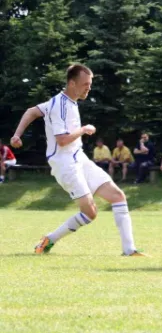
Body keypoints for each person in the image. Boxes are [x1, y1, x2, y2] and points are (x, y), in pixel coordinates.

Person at [10, 64, 145, 256]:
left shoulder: (64, 102)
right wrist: (84, 129)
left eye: (90, 84)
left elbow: (32, 111)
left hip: (79, 158)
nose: (88, 88)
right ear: (72, 83)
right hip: (65, 164)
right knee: (90, 213)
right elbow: (62, 140)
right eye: (85, 84)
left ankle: (129, 250)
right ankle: (50, 239)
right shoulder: (61, 105)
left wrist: (17, 135)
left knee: (118, 196)